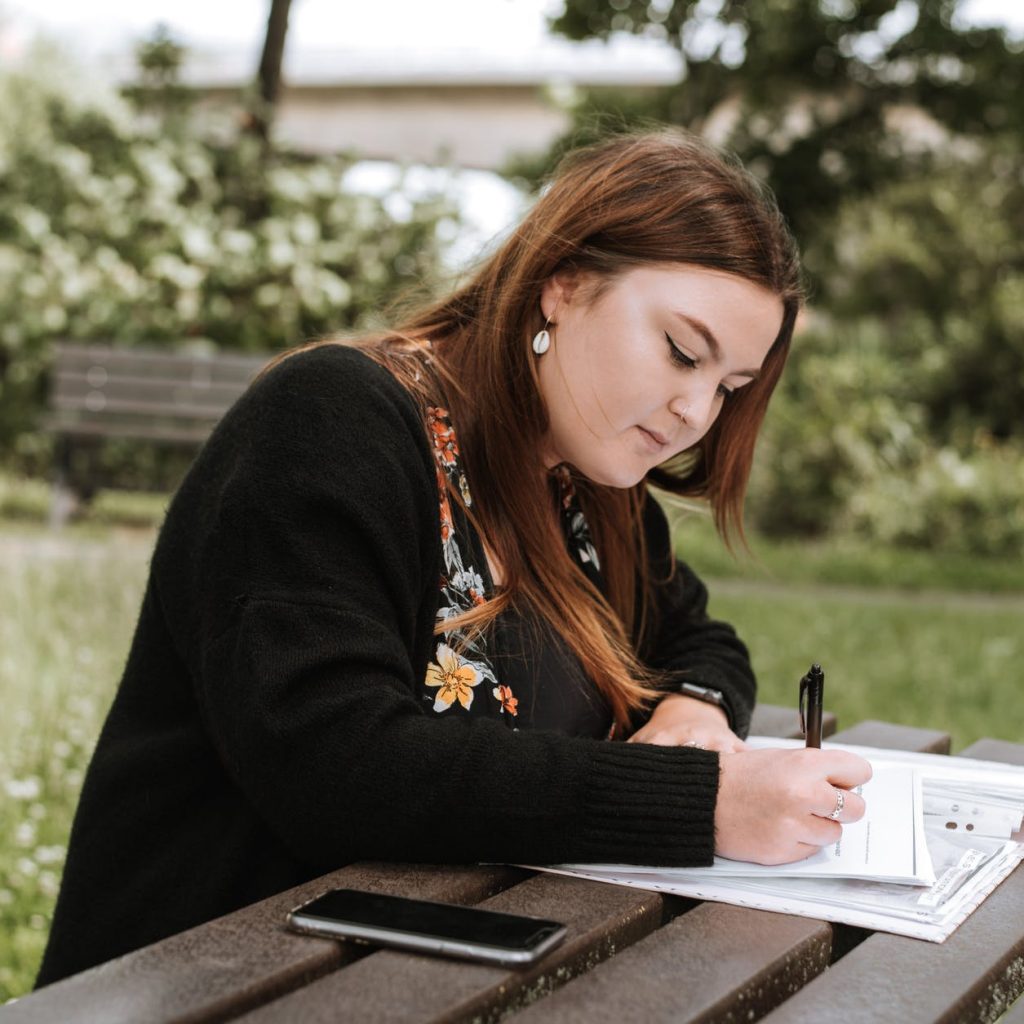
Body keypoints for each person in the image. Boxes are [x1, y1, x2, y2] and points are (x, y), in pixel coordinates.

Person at [36, 129, 871, 986]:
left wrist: (694, 712)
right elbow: (336, 764)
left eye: (729, 386)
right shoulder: (334, 421)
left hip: (434, 968)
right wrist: (706, 805)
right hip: (224, 978)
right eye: (682, 352)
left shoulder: (590, 487)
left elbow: (700, 638)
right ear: (565, 283)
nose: (697, 411)